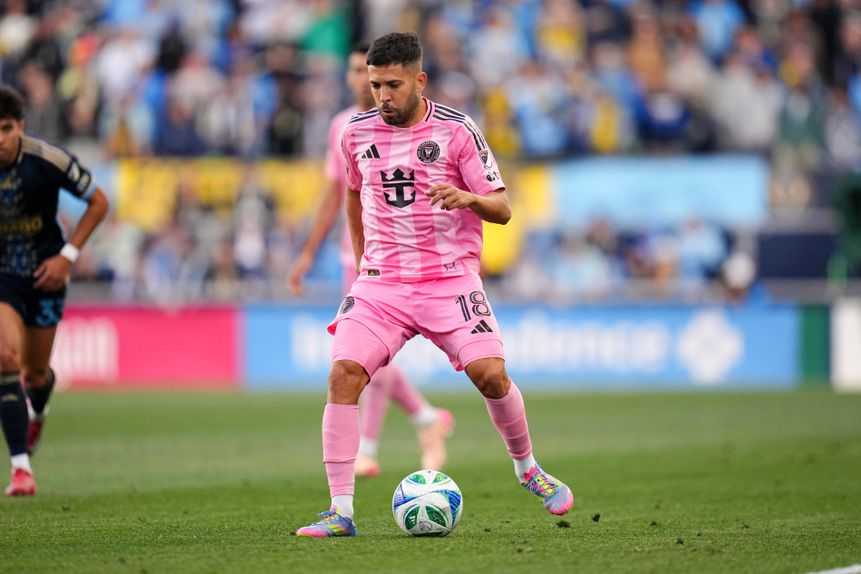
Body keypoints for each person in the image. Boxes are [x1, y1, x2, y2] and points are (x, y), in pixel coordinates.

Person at [296, 32, 573, 537]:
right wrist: (363, 264)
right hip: (383, 283)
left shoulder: (458, 130)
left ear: (419, 80)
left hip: (449, 280)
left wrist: (468, 198)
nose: (382, 96)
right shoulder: (355, 133)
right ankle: (340, 512)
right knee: (343, 375)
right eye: (376, 85)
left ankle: (529, 469)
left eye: (393, 85)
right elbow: (353, 197)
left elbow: (502, 209)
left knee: (491, 375)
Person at [289, 43, 454, 478]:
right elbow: (336, 193)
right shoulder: (343, 127)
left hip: (411, 261)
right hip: (361, 258)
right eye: (355, 71)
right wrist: (308, 252)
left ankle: (393, 434)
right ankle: (420, 420)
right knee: (368, 354)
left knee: (373, 355)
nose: (363, 81)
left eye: (371, 75)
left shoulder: (421, 126)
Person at [0, 84, 109, 496]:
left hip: (47, 274)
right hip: (4, 274)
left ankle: (39, 408)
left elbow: (99, 202)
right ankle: (20, 469)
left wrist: (68, 255)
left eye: (6, 129)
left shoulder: (48, 159)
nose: (0, 139)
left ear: (20, 126)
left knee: (36, 374)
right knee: (5, 356)